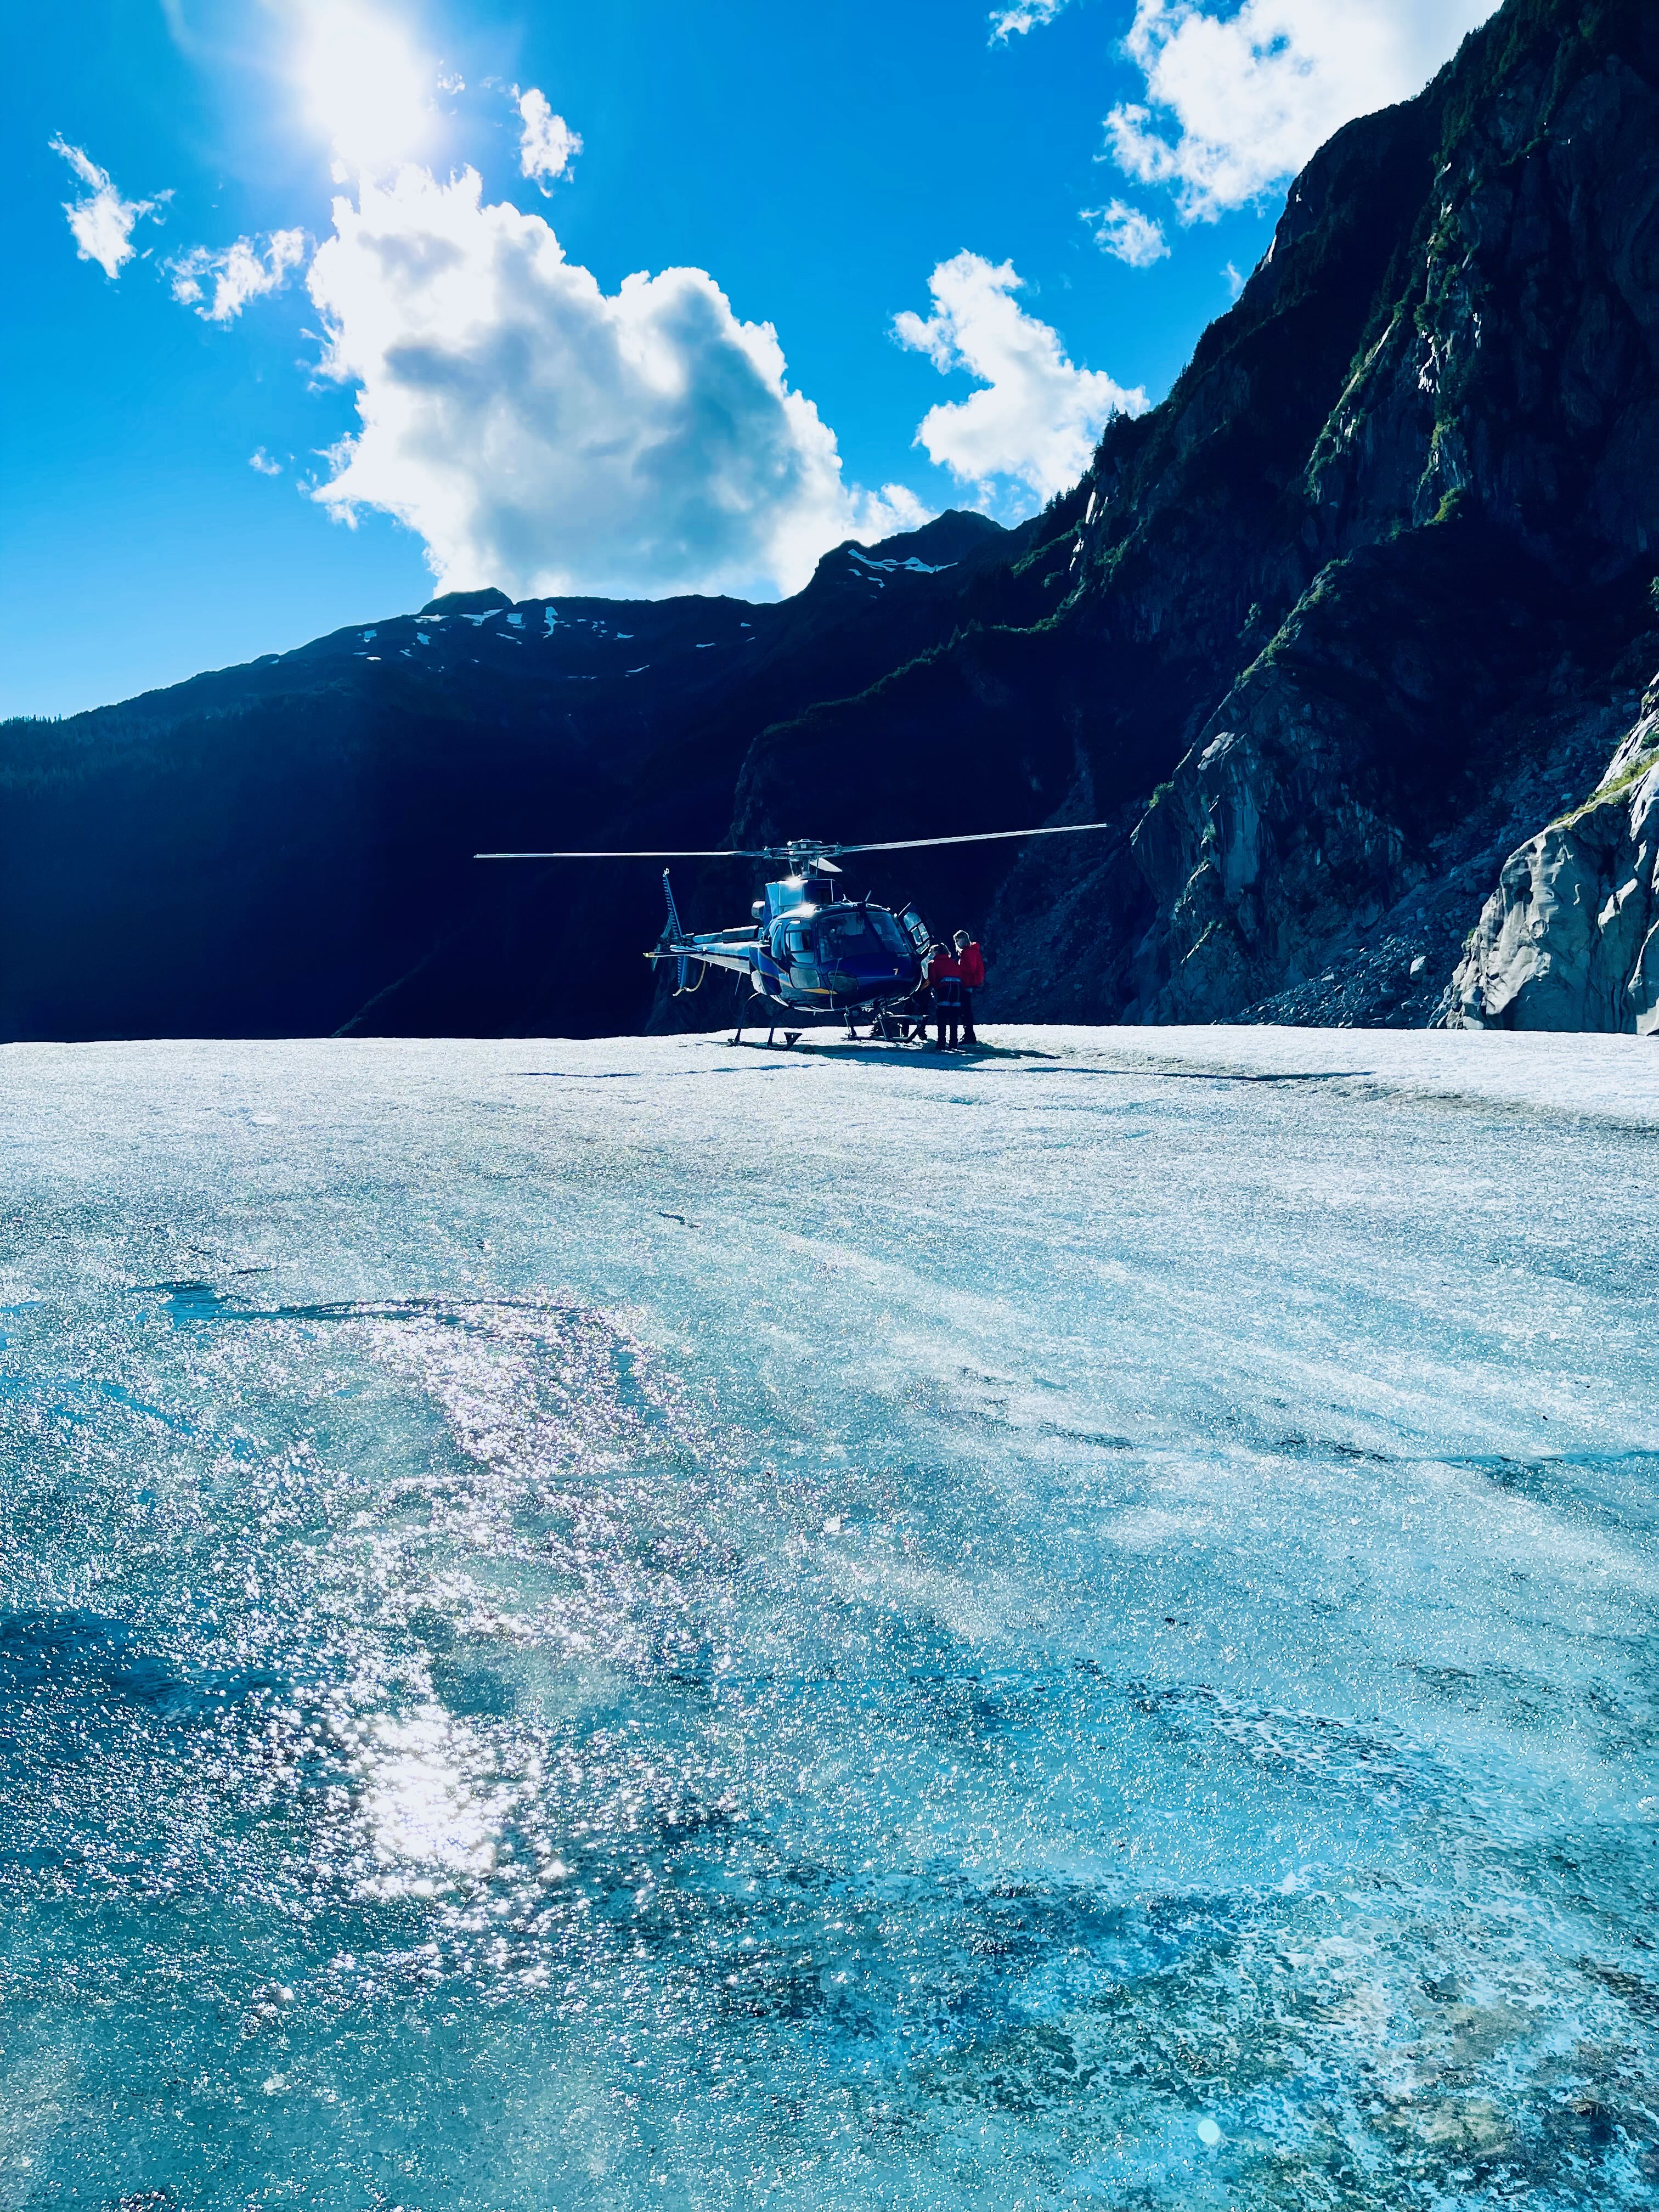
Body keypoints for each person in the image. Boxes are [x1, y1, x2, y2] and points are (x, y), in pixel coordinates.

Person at [927, 940, 962, 1049]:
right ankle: (954, 1043)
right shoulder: (953, 961)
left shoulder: (933, 963)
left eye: (932, 952)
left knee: (942, 1016)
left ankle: (941, 1042)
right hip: (957, 988)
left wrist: (937, 988)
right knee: (954, 1016)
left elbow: (933, 978)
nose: (931, 954)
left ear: (936, 952)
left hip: (945, 988)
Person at [953, 930, 985, 1047]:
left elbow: (971, 969)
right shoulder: (969, 951)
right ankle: (968, 1034)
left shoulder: (968, 952)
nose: (957, 942)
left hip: (967, 983)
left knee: (965, 1009)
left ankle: (969, 1035)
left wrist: (957, 968)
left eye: (958, 940)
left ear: (964, 939)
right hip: (968, 983)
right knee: (965, 1009)